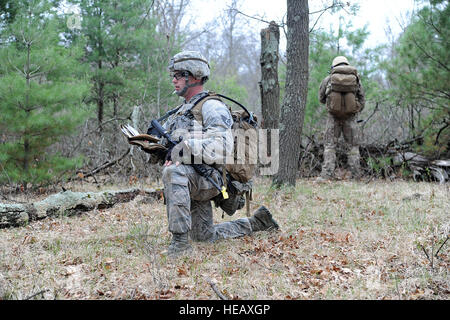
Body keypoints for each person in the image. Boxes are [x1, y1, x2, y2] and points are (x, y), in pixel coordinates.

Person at [149, 51, 279, 257]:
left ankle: (180, 246)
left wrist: (185, 148)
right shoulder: (182, 110)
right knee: (203, 236)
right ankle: (257, 222)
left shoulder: (212, 107)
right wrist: (152, 146)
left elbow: (221, 147)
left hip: (210, 179)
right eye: (172, 75)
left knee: (173, 173)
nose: (173, 80)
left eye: (178, 75)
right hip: (193, 178)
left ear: (194, 76)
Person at [317, 56, 366, 181]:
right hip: (350, 118)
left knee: (329, 146)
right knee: (353, 147)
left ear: (333, 66)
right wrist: (354, 110)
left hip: (333, 117)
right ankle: (355, 176)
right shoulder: (356, 79)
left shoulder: (328, 79)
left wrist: (333, 107)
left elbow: (321, 98)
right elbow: (362, 99)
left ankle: (326, 175)